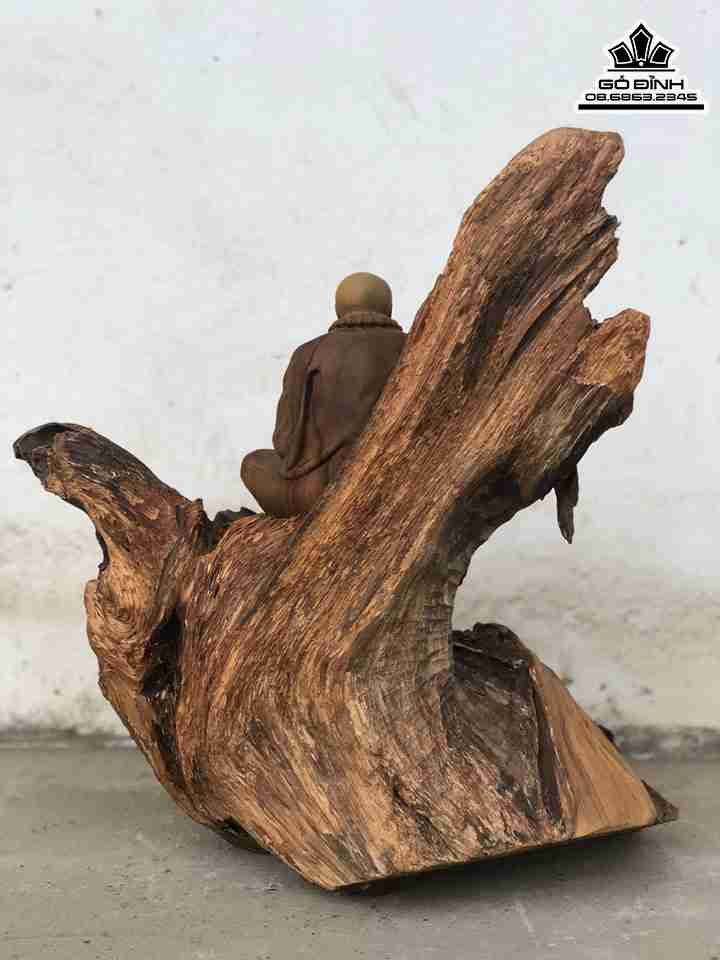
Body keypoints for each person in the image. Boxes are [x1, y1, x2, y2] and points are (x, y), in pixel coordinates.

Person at [241, 272, 406, 517]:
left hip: (318, 495)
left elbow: (284, 441)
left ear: (339, 309)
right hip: (397, 483)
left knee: (253, 464)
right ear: (388, 307)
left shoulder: (307, 353)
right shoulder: (415, 346)